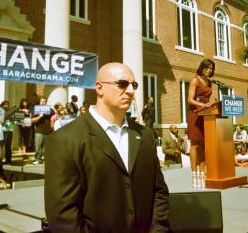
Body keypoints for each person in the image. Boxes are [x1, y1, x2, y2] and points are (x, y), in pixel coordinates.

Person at [44, 62, 169, 232]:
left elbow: (159, 192)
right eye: (122, 84)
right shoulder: (64, 139)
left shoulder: (145, 135)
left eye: (134, 85)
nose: (131, 91)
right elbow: (63, 215)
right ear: (99, 88)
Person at [187, 59, 215, 177]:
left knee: (203, 144)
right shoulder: (195, 80)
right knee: (195, 144)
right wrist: (203, 105)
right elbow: (190, 100)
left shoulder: (210, 82)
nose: (209, 70)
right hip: (195, 114)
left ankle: (203, 171)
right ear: (201, 67)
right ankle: (194, 172)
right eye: (207, 67)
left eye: (211, 68)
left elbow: (207, 100)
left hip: (205, 115)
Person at [31, 97, 54, 165]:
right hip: (39, 131)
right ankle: (38, 159)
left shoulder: (51, 110)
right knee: (38, 146)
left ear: (46, 102)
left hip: (49, 132)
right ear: (39, 102)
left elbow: (54, 119)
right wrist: (40, 116)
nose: (42, 102)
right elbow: (32, 121)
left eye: (44, 101)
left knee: (49, 147)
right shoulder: (36, 110)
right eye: (41, 101)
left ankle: (49, 160)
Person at [1, 100, 14, 165]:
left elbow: (14, 123)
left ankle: (8, 161)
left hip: (9, 131)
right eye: (5, 104)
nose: (7, 105)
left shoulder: (11, 113)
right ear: (2, 105)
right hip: (1, 131)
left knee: (8, 147)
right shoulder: (0, 112)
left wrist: (12, 120)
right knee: (0, 146)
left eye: (8, 104)